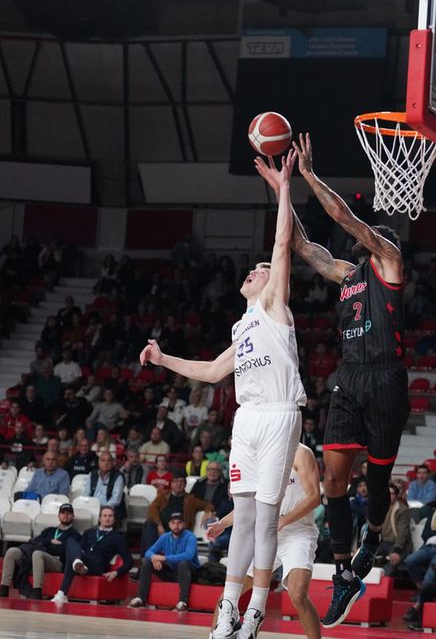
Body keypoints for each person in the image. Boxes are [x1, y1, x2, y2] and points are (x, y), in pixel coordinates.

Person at [141, 150, 304, 639]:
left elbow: (281, 243)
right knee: (245, 516)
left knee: (267, 519)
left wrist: (284, 189)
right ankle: (229, 607)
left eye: (260, 270)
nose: (253, 271)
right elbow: (212, 372)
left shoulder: (274, 306)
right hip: (247, 419)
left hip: (279, 414)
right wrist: (164, 359)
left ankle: (256, 611)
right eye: (252, 269)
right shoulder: (242, 326)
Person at [275, 133, 410, 628]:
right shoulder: (349, 274)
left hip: (387, 380)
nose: (359, 237)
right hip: (350, 378)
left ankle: (372, 538)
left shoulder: (389, 261)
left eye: (368, 235)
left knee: (376, 483)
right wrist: (283, 189)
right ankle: (344, 573)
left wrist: (310, 175)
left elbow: (345, 218)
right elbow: (303, 246)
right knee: (333, 480)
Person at [208, 444, 324, 638]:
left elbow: (314, 498)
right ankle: (215, 634)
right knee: (230, 593)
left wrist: (285, 520)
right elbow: (250, 505)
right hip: (268, 534)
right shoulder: (261, 456)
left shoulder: (301, 453)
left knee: (298, 595)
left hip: (299, 533)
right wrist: (222, 523)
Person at [0, 503, 79, 599]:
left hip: (57, 562)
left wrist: (45, 545)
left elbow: (63, 550)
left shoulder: (74, 535)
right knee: (12, 551)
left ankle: (37, 591)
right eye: (63, 513)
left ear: (73, 516)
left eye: (68, 513)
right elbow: (34, 541)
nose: (65, 515)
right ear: (58, 515)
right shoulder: (50, 530)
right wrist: (50, 541)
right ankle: (4, 587)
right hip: (37, 557)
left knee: (37, 553)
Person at [51, 506, 132, 603]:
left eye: (110, 516)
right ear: (99, 519)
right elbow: (78, 548)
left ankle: (62, 593)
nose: (107, 518)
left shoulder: (118, 538)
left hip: (97, 566)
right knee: (70, 542)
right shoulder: (89, 532)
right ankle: (76, 565)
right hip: (83, 562)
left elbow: (129, 562)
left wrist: (116, 572)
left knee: (73, 557)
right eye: (104, 516)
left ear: (114, 519)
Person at [130, 510, 201, 611]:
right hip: (173, 572)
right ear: (169, 525)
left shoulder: (190, 536)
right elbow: (148, 552)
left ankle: (183, 602)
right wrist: (154, 558)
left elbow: (188, 555)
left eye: (179, 523)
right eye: (173, 523)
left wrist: (164, 558)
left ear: (184, 524)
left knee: (183, 563)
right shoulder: (165, 537)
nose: (176, 526)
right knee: (146, 561)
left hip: (190, 573)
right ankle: (141, 598)